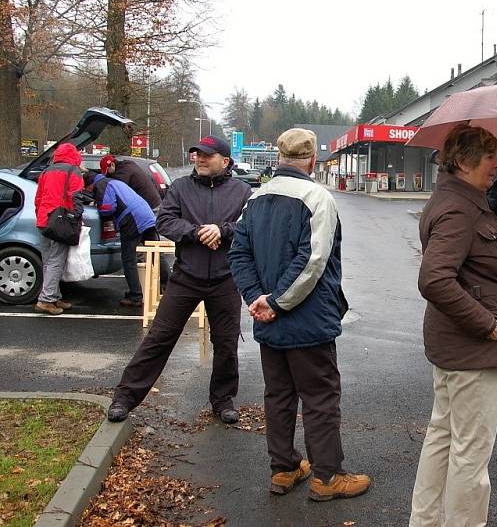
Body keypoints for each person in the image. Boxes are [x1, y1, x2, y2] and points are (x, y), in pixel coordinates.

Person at [228, 128, 371, 502]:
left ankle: (285, 467)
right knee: (320, 397)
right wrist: (276, 302)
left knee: (278, 395)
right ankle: (327, 476)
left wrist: (257, 297)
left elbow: (238, 253)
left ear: (278, 157)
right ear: (311, 160)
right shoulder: (317, 198)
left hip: (268, 318)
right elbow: (312, 260)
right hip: (306, 319)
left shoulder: (255, 197)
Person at [409, 124, 497, 527]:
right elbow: (435, 279)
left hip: (455, 349)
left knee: (443, 440)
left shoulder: (461, 201)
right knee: (470, 453)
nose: (496, 165)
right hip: (470, 351)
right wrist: (492, 328)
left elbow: (479, 255)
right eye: (488, 158)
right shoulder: (459, 208)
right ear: (463, 161)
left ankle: (426, 522)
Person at [106, 135, 252, 424]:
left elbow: (251, 226)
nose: (199, 158)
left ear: (225, 160)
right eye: (196, 153)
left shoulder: (243, 191)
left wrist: (222, 230)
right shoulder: (181, 187)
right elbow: (165, 221)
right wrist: (197, 232)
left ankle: (223, 400)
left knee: (226, 344)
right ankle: (124, 397)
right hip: (187, 276)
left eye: (207, 155)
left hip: (226, 278)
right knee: (159, 338)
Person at [83, 171, 165, 307]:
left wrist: (97, 206)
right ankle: (166, 286)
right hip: (147, 215)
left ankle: (136, 295)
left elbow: (108, 208)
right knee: (155, 253)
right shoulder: (113, 182)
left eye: (86, 189)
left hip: (132, 219)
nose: (87, 191)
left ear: (89, 185)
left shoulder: (101, 185)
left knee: (128, 258)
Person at [33, 143, 84, 315]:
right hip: (60, 222)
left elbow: (38, 197)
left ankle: (53, 295)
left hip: (43, 220)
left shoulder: (46, 171)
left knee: (48, 260)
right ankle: (46, 300)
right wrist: (76, 216)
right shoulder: (73, 171)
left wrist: (40, 215)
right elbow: (76, 196)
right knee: (56, 261)